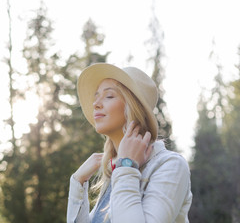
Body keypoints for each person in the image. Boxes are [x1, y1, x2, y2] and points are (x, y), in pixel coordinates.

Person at [67, 63, 192, 223]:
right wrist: (78, 181)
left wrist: (126, 166)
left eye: (109, 96)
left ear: (132, 108)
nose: (95, 104)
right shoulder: (117, 172)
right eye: (96, 96)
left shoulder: (170, 165)